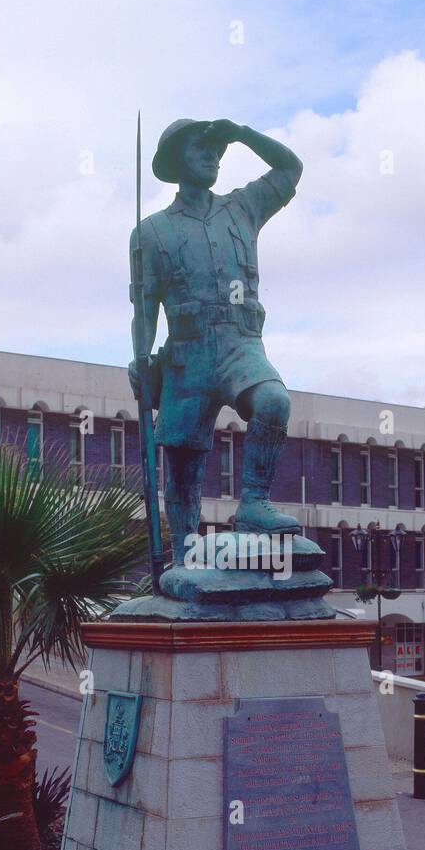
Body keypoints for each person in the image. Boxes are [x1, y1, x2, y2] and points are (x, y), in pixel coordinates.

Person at [129, 117, 303, 566]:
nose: (212, 155)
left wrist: (244, 133)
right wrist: (142, 360)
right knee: (184, 471)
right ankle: (183, 556)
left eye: (217, 149)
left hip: (239, 342)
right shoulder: (151, 232)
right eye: (200, 148)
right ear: (175, 160)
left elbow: (290, 168)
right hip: (186, 357)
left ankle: (253, 502)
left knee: (273, 403)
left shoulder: (242, 207)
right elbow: (145, 308)